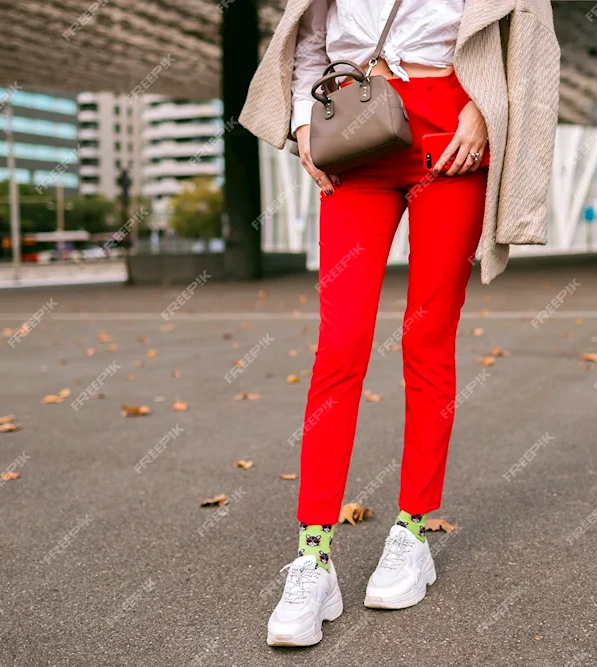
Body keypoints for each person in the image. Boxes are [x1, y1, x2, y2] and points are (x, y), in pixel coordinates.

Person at [238, 0, 559, 647]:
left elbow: (529, 46)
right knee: (340, 344)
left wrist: (484, 111)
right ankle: (314, 558)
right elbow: (310, 33)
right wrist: (304, 119)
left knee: (428, 337)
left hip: (452, 127)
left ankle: (413, 533)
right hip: (357, 121)